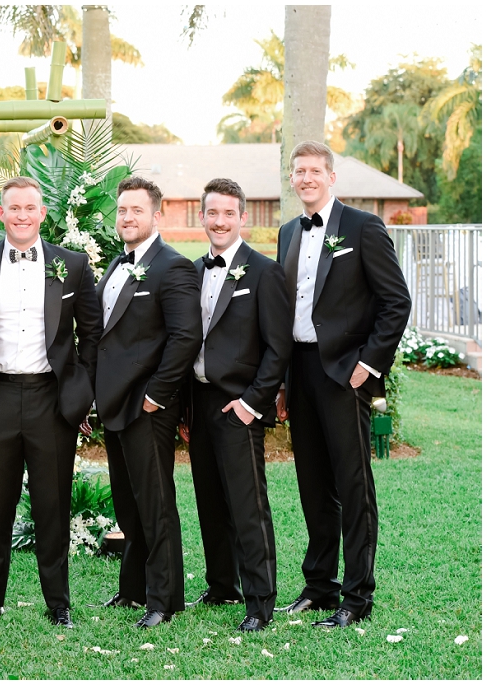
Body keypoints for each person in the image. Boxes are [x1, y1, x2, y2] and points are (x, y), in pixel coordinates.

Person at [0, 176, 102, 631]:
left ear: (42, 213)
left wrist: (81, 389)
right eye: (13, 207)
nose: (21, 215)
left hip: (50, 401)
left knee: (52, 506)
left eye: (29, 207)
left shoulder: (71, 266)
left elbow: (90, 334)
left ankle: (59, 606)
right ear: (1, 213)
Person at [275, 141, 411, 627]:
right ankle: (320, 588)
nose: (306, 178)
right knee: (312, 485)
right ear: (292, 179)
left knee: (353, 486)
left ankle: (357, 597)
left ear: (331, 177)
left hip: (345, 373)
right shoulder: (288, 231)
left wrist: (369, 365)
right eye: (299, 171)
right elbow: (282, 309)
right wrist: (282, 380)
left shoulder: (362, 227)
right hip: (300, 371)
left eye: (315, 170)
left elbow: (396, 301)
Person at [183, 178, 292, 631]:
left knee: (248, 504)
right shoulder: (191, 271)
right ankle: (221, 583)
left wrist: (252, 402)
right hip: (199, 401)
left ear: (243, 217)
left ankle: (260, 599)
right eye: (213, 213)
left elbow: (279, 348)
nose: (220, 221)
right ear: (202, 217)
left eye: (229, 213)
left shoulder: (264, 272)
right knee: (209, 499)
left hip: (239, 404)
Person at [93, 176, 201, 629]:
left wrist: (157, 395)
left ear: (157, 215)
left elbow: (184, 336)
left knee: (155, 504)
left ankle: (165, 599)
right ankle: (133, 589)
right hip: (114, 406)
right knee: (128, 504)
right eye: (122, 210)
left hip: (148, 407)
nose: (127, 218)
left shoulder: (171, 267)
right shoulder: (117, 265)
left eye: (137, 210)